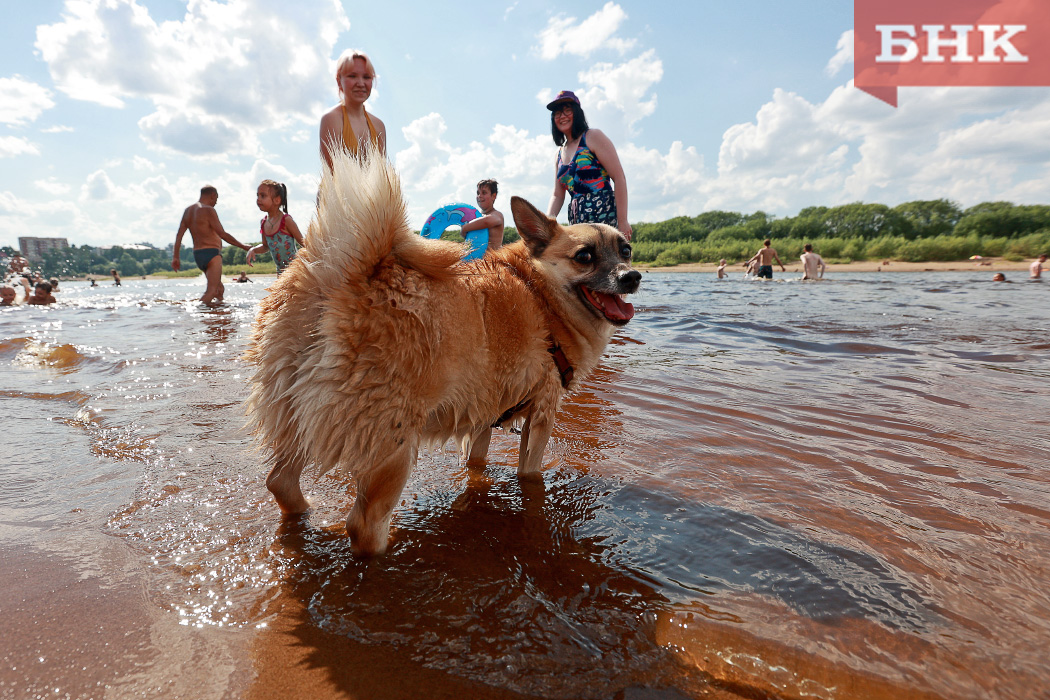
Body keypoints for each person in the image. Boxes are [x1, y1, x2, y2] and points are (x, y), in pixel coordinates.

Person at [545, 90, 632, 239]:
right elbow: (557, 195)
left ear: (577, 113)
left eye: (567, 110)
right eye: (558, 113)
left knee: (607, 261)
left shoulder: (593, 137)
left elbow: (619, 177)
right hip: (577, 222)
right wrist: (546, 223)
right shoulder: (559, 154)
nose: (562, 116)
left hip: (604, 215)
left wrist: (623, 221)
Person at [173, 185, 252, 307]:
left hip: (198, 255)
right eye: (216, 199)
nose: (216, 202)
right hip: (212, 253)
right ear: (212, 195)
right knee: (212, 291)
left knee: (219, 290)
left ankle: (217, 316)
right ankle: (196, 312)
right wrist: (244, 246)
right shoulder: (208, 210)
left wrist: (176, 257)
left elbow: (179, 236)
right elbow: (222, 234)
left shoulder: (188, 211)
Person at [319, 49, 387, 169]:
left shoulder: (378, 125)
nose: (360, 83)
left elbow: (382, 172)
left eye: (366, 77)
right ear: (339, 80)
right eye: (352, 76)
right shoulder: (332, 119)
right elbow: (332, 174)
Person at [246, 180, 306, 274]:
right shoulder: (264, 222)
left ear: (277, 200)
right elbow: (266, 246)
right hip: (280, 273)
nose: (258, 199)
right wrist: (253, 249)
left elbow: (303, 243)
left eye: (263, 196)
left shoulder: (286, 220)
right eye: (257, 195)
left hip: (296, 271)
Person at [460, 179, 505, 254]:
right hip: (478, 261)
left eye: (484, 193)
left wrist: (465, 228)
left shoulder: (497, 214)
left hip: (492, 262)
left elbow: (486, 222)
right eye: (478, 193)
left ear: (493, 196)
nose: (479, 196)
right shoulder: (477, 218)